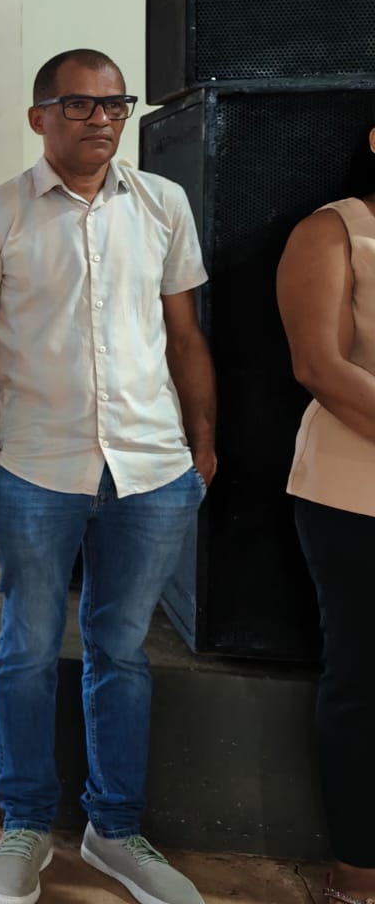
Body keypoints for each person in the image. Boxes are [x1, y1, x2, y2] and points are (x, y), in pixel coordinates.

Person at [0, 49, 214, 904]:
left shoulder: (163, 203)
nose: (102, 119)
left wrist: (202, 446)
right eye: (80, 105)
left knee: (120, 650)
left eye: (115, 105)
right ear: (40, 118)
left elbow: (184, 337)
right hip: (35, 470)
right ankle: (25, 825)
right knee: (24, 651)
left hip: (151, 469)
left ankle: (115, 830)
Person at [277, 179, 375, 904]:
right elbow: (319, 365)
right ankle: (357, 876)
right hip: (353, 494)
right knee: (366, 682)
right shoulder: (333, 231)